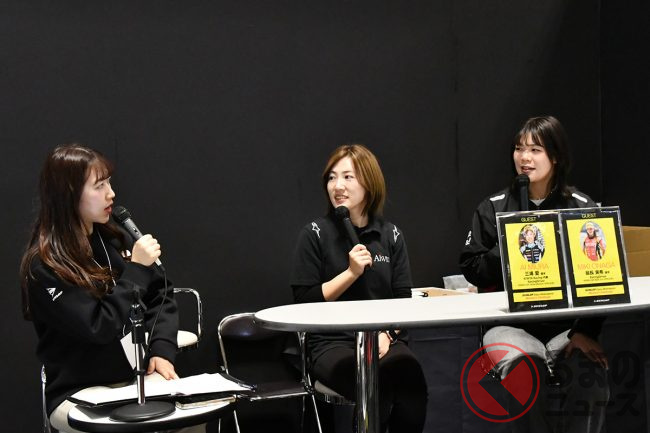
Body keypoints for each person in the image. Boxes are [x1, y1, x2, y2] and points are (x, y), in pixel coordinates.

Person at [19, 144, 188, 433]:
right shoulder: (46, 266)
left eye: (109, 182)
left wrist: (161, 349)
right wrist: (136, 270)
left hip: (134, 380)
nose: (111, 193)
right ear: (69, 194)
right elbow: (98, 326)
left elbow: (160, 293)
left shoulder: (110, 240)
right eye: (99, 186)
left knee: (190, 416)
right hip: (79, 393)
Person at [459, 116, 609, 433]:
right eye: (519, 149)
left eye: (535, 150)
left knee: (591, 377)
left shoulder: (580, 206)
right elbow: (471, 268)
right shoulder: (492, 207)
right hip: (508, 325)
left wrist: (584, 331)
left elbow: (600, 279)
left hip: (566, 328)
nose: (524, 157)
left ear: (556, 156)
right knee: (526, 373)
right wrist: (511, 241)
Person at [290, 144, 428, 433]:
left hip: (383, 339)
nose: (337, 186)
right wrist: (351, 273)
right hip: (331, 343)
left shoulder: (390, 235)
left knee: (411, 381)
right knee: (376, 386)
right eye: (331, 177)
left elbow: (403, 300)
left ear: (369, 182)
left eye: (348, 177)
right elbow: (304, 301)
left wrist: (388, 335)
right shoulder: (315, 233)